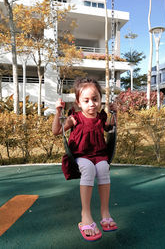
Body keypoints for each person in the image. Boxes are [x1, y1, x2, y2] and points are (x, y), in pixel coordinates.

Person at [52, 78, 118, 241]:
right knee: (88, 169)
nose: (92, 104)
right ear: (78, 102)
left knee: (103, 169)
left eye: (95, 99)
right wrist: (58, 112)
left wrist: (115, 113)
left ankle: (105, 212)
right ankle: (86, 215)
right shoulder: (75, 118)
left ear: (100, 100)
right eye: (86, 100)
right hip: (80, 155)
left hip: (99, 154)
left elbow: (112, 128)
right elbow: (56, 131)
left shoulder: (101, 118)